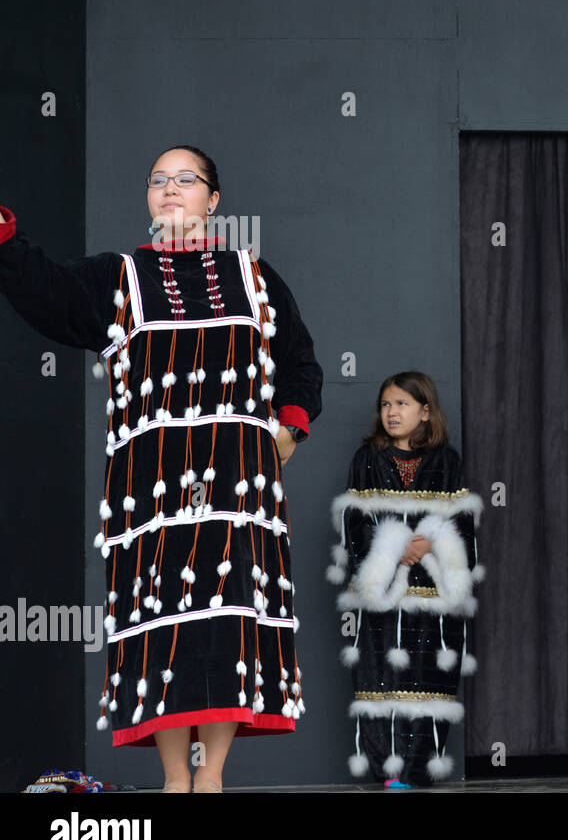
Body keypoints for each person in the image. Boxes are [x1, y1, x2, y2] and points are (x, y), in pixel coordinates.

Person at [0, 145, 323, 792]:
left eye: (185, 179)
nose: (169, 188)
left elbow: (300, 360)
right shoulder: (117, 277)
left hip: (237, 489)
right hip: (154, 491)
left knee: (229, 618)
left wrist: (288, 429)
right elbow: (47, 293)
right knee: (167, 628)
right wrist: (5, 235)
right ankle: (177, 779)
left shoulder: (254, 275)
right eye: (157, 180)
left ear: (213, 198)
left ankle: (214, 778)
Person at [326, 371, 482, 787]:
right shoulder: (368, 460)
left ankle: (417, 773)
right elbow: (353, 523)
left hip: (433, 599)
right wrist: (395, 549)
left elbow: (462, 523)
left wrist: (430, 544)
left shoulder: (447, 462)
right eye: (386, 405)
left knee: (429, 681)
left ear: (425, 411)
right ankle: (386, 776)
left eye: (402, 404)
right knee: (382, 682)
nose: (392, 412)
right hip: (385, 598)